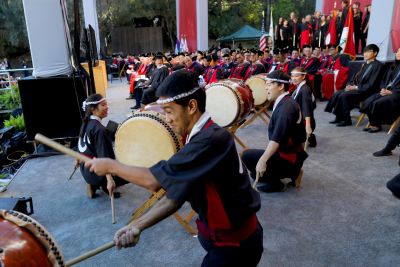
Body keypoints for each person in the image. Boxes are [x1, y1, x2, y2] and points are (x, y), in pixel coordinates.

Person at [85, 71, 263, 266]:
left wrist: (111, 165)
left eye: (169, 111)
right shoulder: (198, 135)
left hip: (236, 246)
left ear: (192, 106)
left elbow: (154, 181)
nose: (167, 118)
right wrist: (136, 226)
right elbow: (175, 196)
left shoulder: (209, 140)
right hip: (221, 239)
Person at [241, 70, 308, 193]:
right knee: (252, 168)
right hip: (288, 154)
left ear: (281, 86)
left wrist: (263, 161)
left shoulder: (286, 108)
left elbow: (276, 139)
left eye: (269, 84)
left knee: (247, 156)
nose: (266, 88)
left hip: (289, 158)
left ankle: (278, 183)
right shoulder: (284, 101)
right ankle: (293, 172)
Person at [78, 94, 128, 198]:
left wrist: (77, 159)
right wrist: (109, 180)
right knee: (131, 172)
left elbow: (82, 146)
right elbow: (104, 157)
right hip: (96, 172)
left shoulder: (86, 122)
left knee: (111, 128)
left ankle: (94, 183)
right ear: (93, 109)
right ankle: (102, 185)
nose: (107, 107)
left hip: (85, 168)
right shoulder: (100, 130)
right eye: (103, 105)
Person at [325, 44, 384, 126]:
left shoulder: (378, 66)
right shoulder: (365, 64)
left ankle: (346, 120)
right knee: (337, 93)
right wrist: (350, 85)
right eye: (364, 52)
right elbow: (356, 78)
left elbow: (372, 83)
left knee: (343, 95)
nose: (365, 54)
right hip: (359, 88)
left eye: (369, 52)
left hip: (368, 91)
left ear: (375, 53)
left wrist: (356, 87)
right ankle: (339, 117)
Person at [360, 48, 400, 133]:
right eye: (398, 51)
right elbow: (383, 80)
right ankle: (373, 123)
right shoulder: (393, 66)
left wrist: (392, 92)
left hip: (397, 94)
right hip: (386, 91)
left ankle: (376, 125)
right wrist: (383, 88)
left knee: (377, 103)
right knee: (369, 100)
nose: (398, 53)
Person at [291, 67, 317, 147]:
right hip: (300, 117)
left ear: (303, 77)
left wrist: (308, 125)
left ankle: (309, 136)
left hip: (303, 120)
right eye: (292, 76)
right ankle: (310, 137)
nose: (293, 78)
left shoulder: (305, 89)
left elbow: (307, 108)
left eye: (296, 76)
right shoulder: (300, 86)